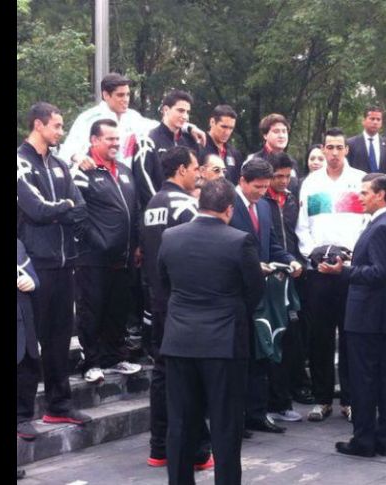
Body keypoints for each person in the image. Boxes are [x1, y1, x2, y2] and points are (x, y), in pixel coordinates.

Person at [159, 179, 265, 485]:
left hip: (180, 340)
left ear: (199, 203)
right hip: (224, 344)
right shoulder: (239, 240)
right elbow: (255, 290)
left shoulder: (171, 236)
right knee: (226, 426)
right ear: (229, 209)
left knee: (180, 424)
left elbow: (163, 283)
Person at [319, 173, 386, 457]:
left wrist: (343, 271)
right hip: (379, 315)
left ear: (381, 194)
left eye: (365, 192)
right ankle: (382, 439)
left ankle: (365, 439)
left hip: (370, 316)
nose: (360, 197)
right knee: (381, 379)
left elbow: (380, 272)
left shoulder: (383, 226)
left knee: (365, 380)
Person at [17, 102, 92, 426]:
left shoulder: (60, 164)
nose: (61, 132)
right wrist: (64, 207)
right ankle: (22, 415)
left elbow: (81, 208)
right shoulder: (20, 163)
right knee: (27, 343)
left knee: (59, 340)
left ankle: (58, 406)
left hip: (65, 264)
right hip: (33, 267)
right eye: (57, 126)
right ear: (38, 125)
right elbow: (36, 210)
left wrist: (60, 208)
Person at [140, 146, 213, 470]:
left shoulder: (152, 204)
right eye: (196, 168)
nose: (198, 173)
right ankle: (197, 451)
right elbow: (199, 253)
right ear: (181, 169)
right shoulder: (186, 205)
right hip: (185, 304)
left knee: (162, 373)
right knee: (190, 376)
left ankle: (159, 447)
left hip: (158, 300)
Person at [295, 128, 367, 422]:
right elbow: (302, 227)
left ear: (346, 150)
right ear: (323, 149)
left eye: (339, 147)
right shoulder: (311, 183)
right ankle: (322, 399)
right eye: (330, 147)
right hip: (319, 272)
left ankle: (350, 400)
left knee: (351, 335)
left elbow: (366, 224)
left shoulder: (360, 180)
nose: (334, 153)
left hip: (350, 270)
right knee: (320, 337)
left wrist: (349, 259)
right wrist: (314, 255)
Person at [229, 158, 303, 434]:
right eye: (257, 187)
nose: (261, 192)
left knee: (261, 352)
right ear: (242, 181)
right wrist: (251, 267)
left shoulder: (263, 206)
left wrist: (289, 259)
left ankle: (257, 413)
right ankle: (236, 416)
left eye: (264, 187)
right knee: (240, 356)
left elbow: (270, 242)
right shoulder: (229, 204)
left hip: (262, 293)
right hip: (236, 291)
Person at [72, 119, 142, 383]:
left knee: (118, 309)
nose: (115, 143)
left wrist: (137, 244)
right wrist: (97, 242)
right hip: (93, 257)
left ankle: (115, 358)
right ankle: (90, 362)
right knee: (92, 310)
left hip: (123, 257)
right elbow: (77, 213)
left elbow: (134, 209)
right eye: (109, 139)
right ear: (94, 140)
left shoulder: (124, 170)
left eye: (117, 139)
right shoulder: (84, 171)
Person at [59, 73, 204, 169]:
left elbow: (162, 126)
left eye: (128, 94)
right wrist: (78, 157)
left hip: (127, 182)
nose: (126, 99)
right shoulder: (89, 118)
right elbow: (66, 151)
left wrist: (188, 127)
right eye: (120, 95)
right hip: (99, 181)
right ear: (106, 95)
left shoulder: (132, 117)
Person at [263, 152, 314, 409]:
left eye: (287, 176)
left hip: (296, 270)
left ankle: (299, 384)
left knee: (297, 331)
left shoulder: (293, 199)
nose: (283, 181)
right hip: (271, 274)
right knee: (277, 332)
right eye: (278, 176)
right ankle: (277, 391)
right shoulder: (261, 201)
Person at [133, 89, 201, 208]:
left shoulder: (189, 142)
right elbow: (142, 180)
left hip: (185, 210)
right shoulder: (148, 140)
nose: (185, 116)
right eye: (180, 111)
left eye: (187, 112)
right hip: (158, 210)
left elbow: (195, 175)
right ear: (166, 110)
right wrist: (159, 207)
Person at [17, 239, 41, 441]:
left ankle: (22, 417)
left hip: (23, 320)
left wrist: (31, 281)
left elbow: (32, 276)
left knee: (27, 368)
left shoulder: (18, 245)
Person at [199, 104, 244, 184]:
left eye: (231, 128)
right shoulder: (198, 146)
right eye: (224, 127)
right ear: (212, 122)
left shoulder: (235, 154)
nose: (227, 132)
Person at [346, 106, 386, 173]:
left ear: (381, 123)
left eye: (378, 119)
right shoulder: (351, 144)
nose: (375, 122)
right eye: (372, 119)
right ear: (363, 121)